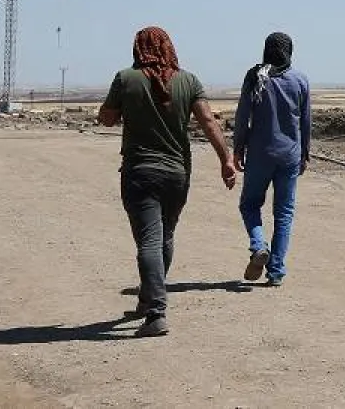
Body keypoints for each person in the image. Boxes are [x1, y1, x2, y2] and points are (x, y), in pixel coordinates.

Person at [98, 26, 237, 338]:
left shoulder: (126, 79)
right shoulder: (189, 80)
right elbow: (208, 122)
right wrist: (225, 160)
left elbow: (106, 118)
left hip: (140, 172)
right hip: (177, 174)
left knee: (148, 239)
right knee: (165, 236)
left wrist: (118, 110)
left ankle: (156, 312)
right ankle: (147, 298)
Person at [234, 32, 312, 288]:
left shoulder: (256, 76)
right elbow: (306, 121)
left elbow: (243, 116)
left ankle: (258, 246)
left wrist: (237, 149)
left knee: (249, 205)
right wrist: (304, 153)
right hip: (289, 155)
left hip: (259, 154)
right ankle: (276, 270)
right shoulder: (300, 80)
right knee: (284, 213)